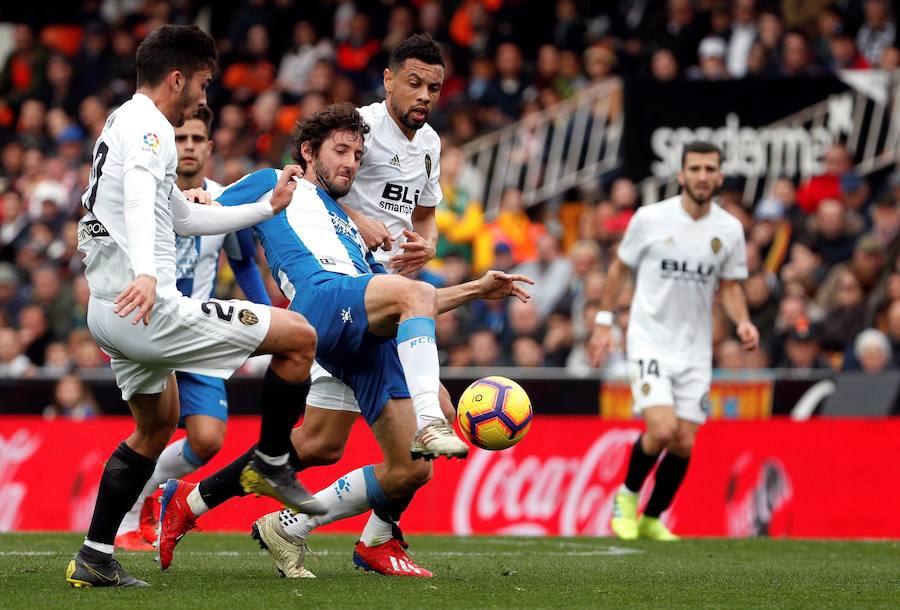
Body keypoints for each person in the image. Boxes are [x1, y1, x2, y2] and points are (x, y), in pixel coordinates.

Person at [155, 103, 532, 578]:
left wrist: (479, 287)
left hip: (356, 323)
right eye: (341, 151)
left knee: (401, 467)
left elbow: (412, 302)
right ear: (309, 152)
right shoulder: (274, 180)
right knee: (427, 380)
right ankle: (430, 421)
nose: (351, 162)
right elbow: (209, 206)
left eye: (357, 153)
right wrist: (196, 201)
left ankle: (197, 503)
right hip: (320, 298)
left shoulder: (350, 228)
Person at [66, 25, 324, 589]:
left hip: (112, 310)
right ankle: (274, 461)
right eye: (203, 84)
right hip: (148, 307)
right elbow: (137, 196)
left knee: (156, 426)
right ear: (177, 78)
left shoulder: (121, 121)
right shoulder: (153, 128)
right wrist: (150, 275)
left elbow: (178, 217)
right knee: (300, 334)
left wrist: (264, 208)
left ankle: (93, 554)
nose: (205, 98)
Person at [114, 106, 272, 551]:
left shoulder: (225, 200)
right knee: (152, 431)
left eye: (195, 139)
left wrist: (269, 319)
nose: (186, 146)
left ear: (209, 146)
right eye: (179, 138)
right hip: (149, 327)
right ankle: (126, 520)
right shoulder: (147, 195)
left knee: (207, 439)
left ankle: (146, 498)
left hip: (198, 332)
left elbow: (242, 262)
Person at [588, 141, 759, 541]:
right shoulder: (650, 219)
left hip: (696, 349)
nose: (702, 176)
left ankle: (652, 517)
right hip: (650, 341)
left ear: (719, 176)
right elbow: (618, 270)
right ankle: (626, 497)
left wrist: (744, 322)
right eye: (695, 169)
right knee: (662, 429)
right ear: (681, 175)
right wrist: (603, 322)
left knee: (684, 441)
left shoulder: (729, 229)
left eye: (709, 169)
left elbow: (731, 286)